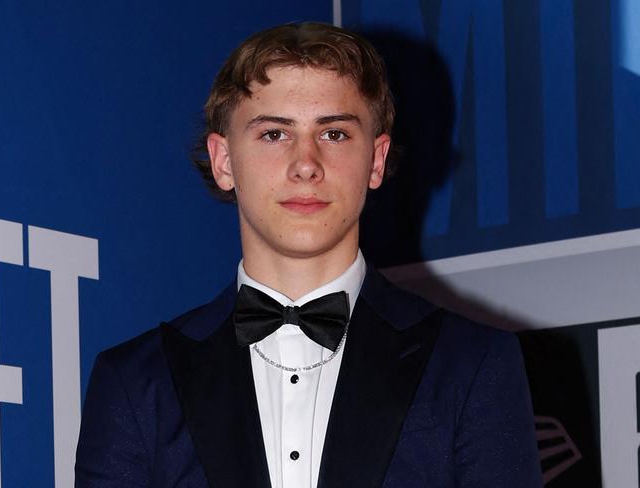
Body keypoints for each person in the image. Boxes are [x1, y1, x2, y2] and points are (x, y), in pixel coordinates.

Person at [75, 22, 542, 488]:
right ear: (223, 162)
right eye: (274, 134)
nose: (305, 165)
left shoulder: (471, 364)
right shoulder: (136, 384)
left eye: (334, 134)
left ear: (376, 161)